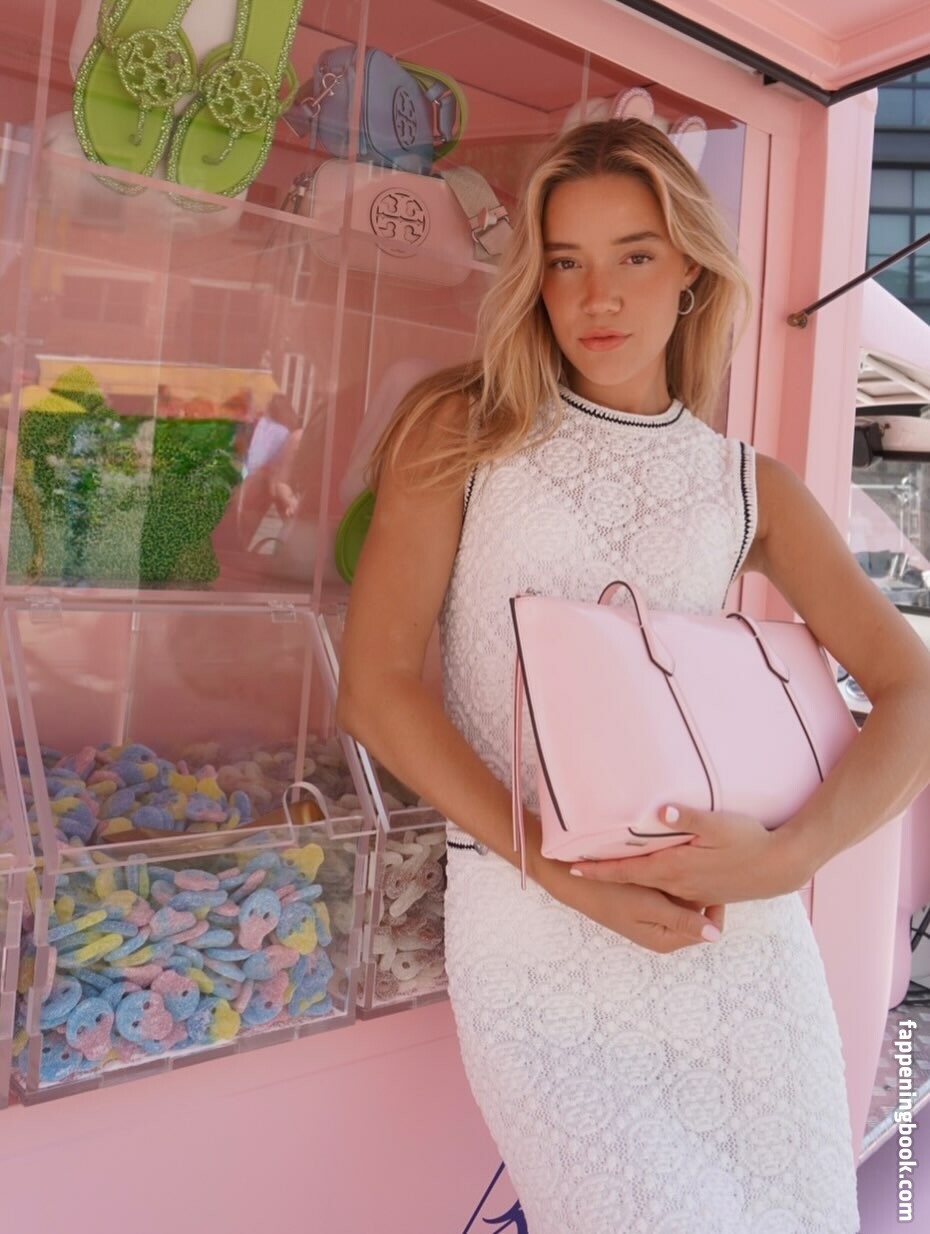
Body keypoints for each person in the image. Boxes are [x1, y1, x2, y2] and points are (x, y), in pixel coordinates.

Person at [335, 119, 930, 1233]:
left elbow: (916, 692)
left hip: (738, 954)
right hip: (534, 936)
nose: (596, 295)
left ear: (691, 269)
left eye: (635, 255)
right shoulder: (462, 429)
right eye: (566, 261)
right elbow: (375, 690)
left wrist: (789, 858)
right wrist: (560, 876)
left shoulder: (747, 485)